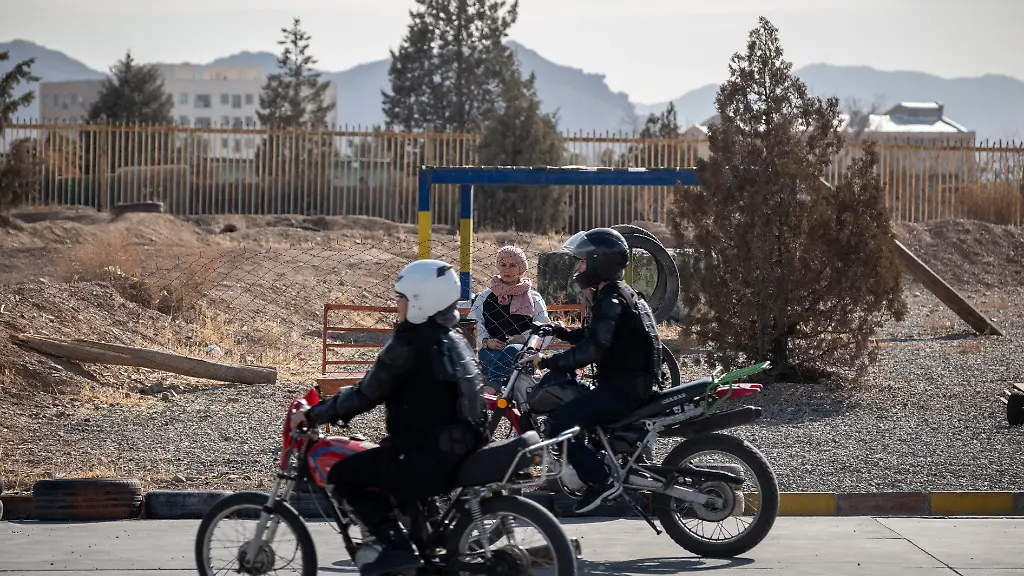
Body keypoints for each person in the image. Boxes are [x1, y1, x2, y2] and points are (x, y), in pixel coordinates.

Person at [289, 259, 488, 576]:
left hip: (423, 455)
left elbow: (366, 393)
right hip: (458, 448)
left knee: (345, 476)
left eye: (401, 297)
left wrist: (314, 413)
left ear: (419, 302)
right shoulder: (455, 340)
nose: (397, 304)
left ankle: (394, 547)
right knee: (387, 465)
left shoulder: (406, 344)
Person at [520, 227, 662, 514]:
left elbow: (594, 349)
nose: (579, 267)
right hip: (630, 384)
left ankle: (600, 481)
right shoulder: (617, 294)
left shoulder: (610, 299)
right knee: (579, 413)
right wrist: (559, 331)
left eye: (583, 262)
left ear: (599, 262)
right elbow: (596, 336)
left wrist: (548, 363)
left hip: (624, 390)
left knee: (559, 423)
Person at [467, 245, 549, 393]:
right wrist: (486, 341)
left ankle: (492, 387)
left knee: (512, 351)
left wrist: (524, 339)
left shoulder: (534, 298)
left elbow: (544, 327)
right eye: (503, 265)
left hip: (521, 351)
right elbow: (474, 322)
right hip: (492, 350)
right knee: (489, 355)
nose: (507, 270)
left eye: (512, 265)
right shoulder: (485, 296)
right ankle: (509, 385)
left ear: (521, 268)